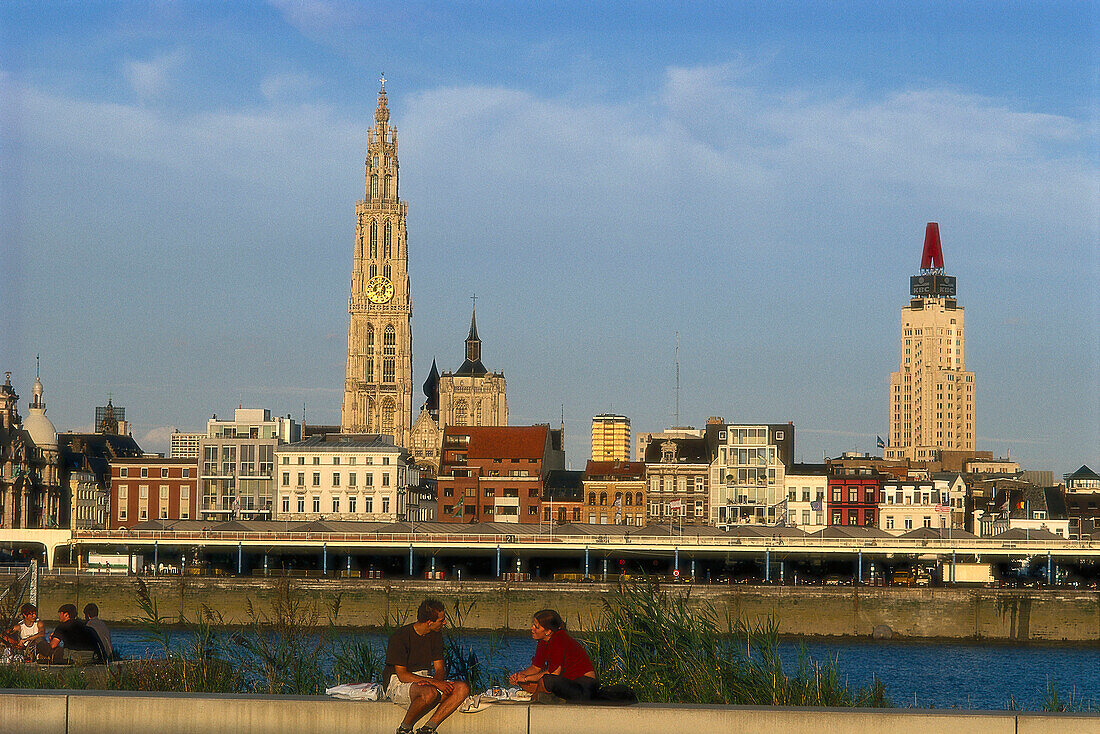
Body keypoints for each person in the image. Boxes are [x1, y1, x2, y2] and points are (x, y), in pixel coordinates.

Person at [382, 599, 470, 734]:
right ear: (429, 622)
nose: (444, 623)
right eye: (441, 620)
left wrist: (437, 683)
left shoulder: (435, 635)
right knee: (429, 693)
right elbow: (402, 675)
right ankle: (404, 728)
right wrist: (433, 684)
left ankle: (428, 728)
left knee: (462, 688)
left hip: (425, 679)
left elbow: (440, 668)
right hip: (399, 682)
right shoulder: (400, 637)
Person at [509, 609, 599, 701]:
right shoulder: (543, 641)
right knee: (526, 682)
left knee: (546, 680)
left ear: (548, 631)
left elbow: (554, 673)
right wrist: (518, 676)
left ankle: (535, 702)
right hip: (566, 682)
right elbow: (536, 667)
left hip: (584, 686)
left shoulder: (558, 640)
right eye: (533, 625)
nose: (532, 628)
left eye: (536, 627)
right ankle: (547, 698)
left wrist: (525, 678)